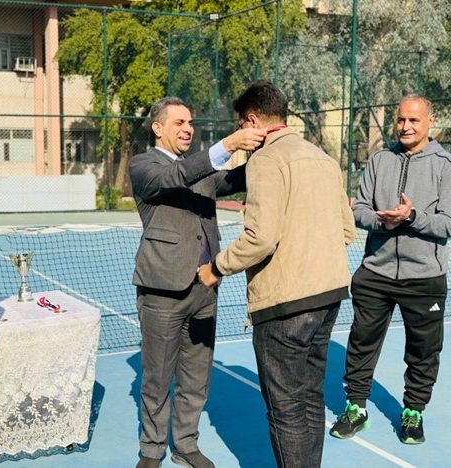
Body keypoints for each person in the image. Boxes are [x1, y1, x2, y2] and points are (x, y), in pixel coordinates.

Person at [198, 80, 355, 468]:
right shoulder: (322, 158)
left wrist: (216, 268)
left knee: (286, 410)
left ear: (252, 121)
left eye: (240, 125)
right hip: (329, 296)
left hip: (285, 305)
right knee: (310, 399)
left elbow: (261, 238)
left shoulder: (265, 160)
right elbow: (347, 230)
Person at [130, 96, 267, 468]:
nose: (188, 128)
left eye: (190, 122)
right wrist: (228, 145)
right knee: (157, 378)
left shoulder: (202, 169)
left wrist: (263, 145)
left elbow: (235, 179)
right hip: (162, 290)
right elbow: (176, 176)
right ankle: (151, 450)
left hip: (206, 286)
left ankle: (186, 445)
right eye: (179, 123)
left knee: (196, 376)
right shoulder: (144, 166)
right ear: (157, 127)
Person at [329, 93, 451, 444]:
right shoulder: (380, 159)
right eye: (400, 119)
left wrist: (412, 218)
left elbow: (447, 222)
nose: (405, 126)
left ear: (430, 122)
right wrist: (383, 221)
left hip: (425, 278)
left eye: (414, 120)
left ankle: (413, 412)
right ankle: (356, 407)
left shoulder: (445, 165)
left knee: (424, 350)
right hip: (375, 273)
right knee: (361, 343)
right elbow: (358, 210)